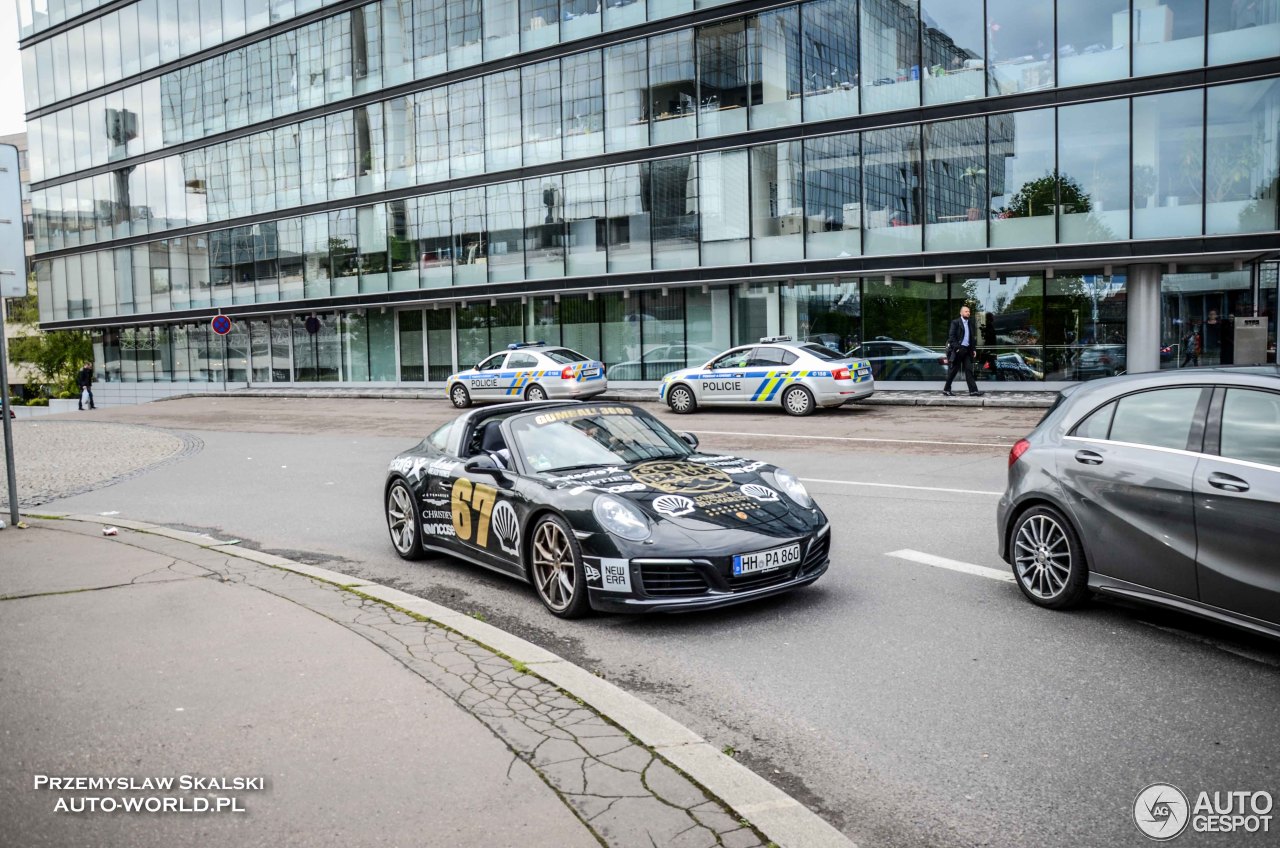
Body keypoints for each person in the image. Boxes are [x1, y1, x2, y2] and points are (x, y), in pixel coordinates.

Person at [943, 305, 982, 397]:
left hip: (967, 350)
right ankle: (946, 389)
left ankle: (973, 391)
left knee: (969, 370)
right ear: (961, 313)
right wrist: (957, 348)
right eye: (966, 311)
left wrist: (973, 349)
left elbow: (971, 338)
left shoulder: (970, 323)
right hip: (959, 350)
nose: (968, 313)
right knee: (954, 371)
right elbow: (951, 337)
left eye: (969, 311)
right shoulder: (956, 322)